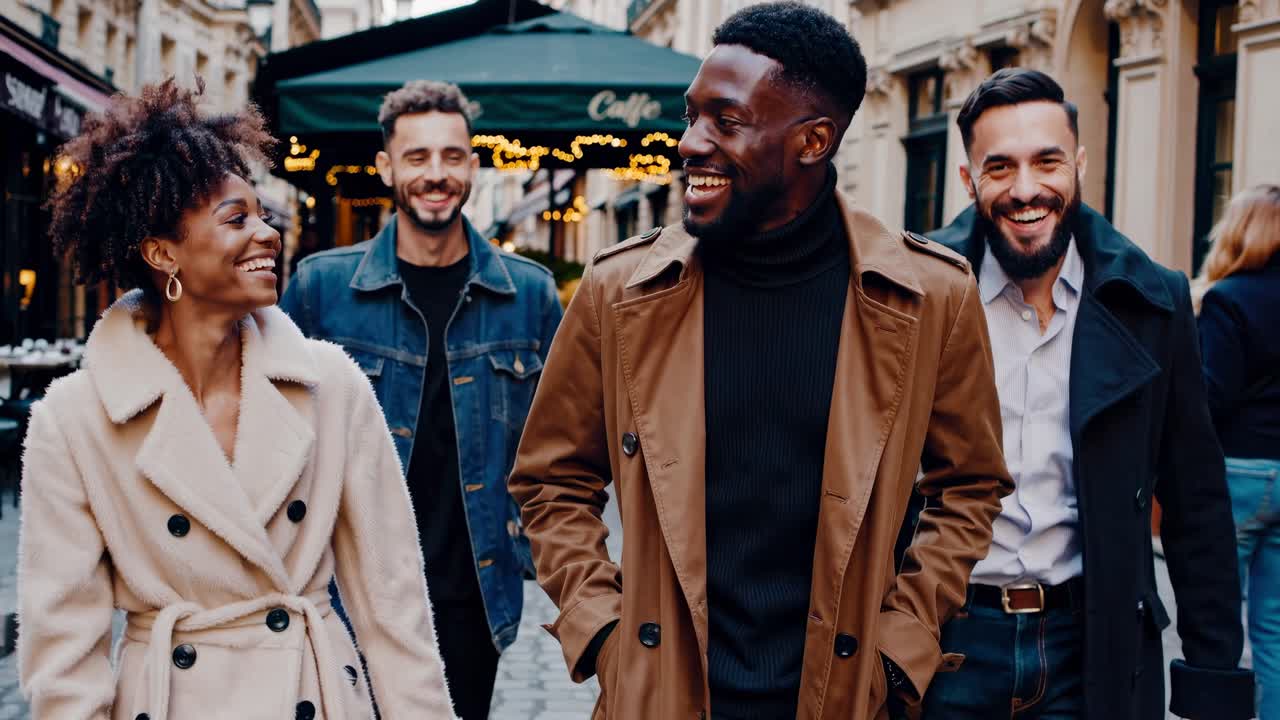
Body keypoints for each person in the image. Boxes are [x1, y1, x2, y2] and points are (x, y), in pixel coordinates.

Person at [508, 3, 1013, 718]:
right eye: (691, 116)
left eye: (727, 120)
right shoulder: (621, 290)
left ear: (813, 140)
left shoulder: (929, 296)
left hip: (841, 697)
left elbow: (970, 485)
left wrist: (901, 643)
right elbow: (550, 478)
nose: (690, 143)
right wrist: (605, 631)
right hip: (662, 697)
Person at [17, 79, 454, 719]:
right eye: (236, 219)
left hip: (314, 692)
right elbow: (63, 655)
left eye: (263, 215)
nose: (268, 234)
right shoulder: (74, 420)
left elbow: (395, 606)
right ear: (163, 253)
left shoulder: (332, 386)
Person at [923, 68, 1254, 720]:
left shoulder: (1152, 300)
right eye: (1000, 167)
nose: (1026, 189)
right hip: (943, 642)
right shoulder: (918, 293)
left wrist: (1213, 678)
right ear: (967, 180)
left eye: (1047, 161)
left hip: (1092, 645)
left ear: (1078, 165)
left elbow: (1195, 501)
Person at [280, 80, 562, 719]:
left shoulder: (529, 295)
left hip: (473, 595)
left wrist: (532, 551)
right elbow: (274, 432)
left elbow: (564, 447)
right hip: (349, 592)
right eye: (417, 157)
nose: (436, 174)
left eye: (452, 156)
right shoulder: (322, 288)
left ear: (473, 165)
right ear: (386, 168)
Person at [1194, 183, 1280, 720]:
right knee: (1274, 627)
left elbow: (1210, 394)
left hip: (1240, 471)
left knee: (1216, 619)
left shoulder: (1229, 298)